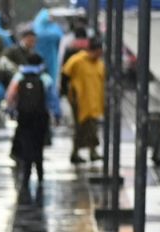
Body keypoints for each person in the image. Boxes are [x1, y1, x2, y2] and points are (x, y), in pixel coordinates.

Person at [6, 52, 60, 200]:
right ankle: (41, 175)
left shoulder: (19, 77)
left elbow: (10, 96)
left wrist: (10, 111)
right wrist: (56, 114)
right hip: (41, 118)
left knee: (26, 144)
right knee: (38, 145)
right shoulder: (45, 78)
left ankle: (26, 175)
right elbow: (52, 98)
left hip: (23, 118)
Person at [62, 37, 104, 165]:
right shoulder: (77, 60)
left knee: (92, 127)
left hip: (94, 102)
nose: (99, 54)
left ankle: (92, 151)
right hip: (79, 101)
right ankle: (76, 152)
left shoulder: (99, 64)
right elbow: (64, 75)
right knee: (80, 128)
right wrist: (67, 94)